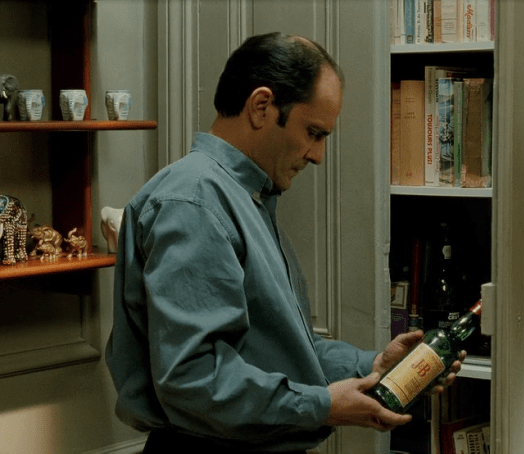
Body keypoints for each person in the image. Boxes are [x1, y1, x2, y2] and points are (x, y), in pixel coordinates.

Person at [106, 32, 464, 453]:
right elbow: (195, 381)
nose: (317, 155)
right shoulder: (194, 202)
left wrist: (373, 365)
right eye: (313, 132)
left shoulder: (243, 198)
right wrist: (323, 406)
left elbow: (274, 355)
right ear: (261, 106)